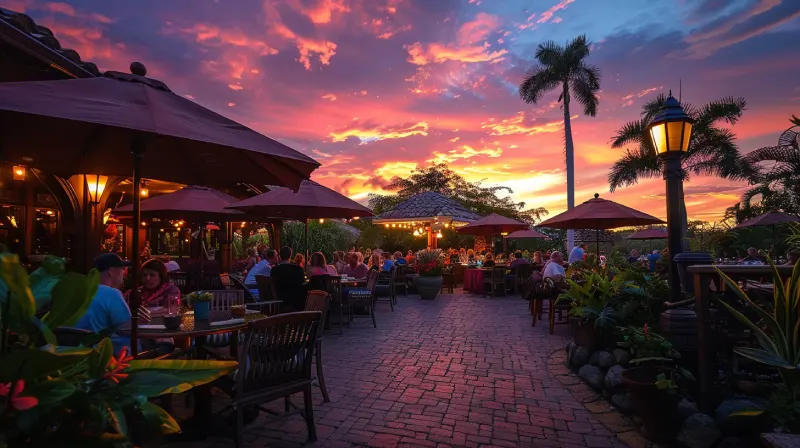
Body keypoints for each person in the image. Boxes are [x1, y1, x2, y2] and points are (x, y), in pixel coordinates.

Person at [74, 253, 135, 356]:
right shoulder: (112, 293)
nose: (124, 273)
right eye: (122, 269)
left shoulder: (77, 291)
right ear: (111, 271)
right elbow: (127, 328)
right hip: (96, 354)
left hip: (68, 351)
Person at [270, 246, 307, 313]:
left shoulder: (274, 270)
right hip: (297, 302)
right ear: (290, 255)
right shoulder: (298, 269)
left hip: (281, 300)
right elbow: (302, 284)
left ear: (280, 256)